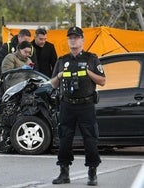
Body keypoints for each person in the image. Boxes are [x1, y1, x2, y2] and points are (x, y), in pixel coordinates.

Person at [50, 26, 106, 186]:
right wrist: (59, 76)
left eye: (76, 37)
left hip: (86, 105)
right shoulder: (62, 60)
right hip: (67, 105)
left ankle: (92, 173)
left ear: (82, 40)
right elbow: (53, 83)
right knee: (64, 139)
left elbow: (102, 80)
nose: (73, 40)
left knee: (90, 139)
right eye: (70, 38)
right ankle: (64, 172)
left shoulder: (91, 58)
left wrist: (88, 73)